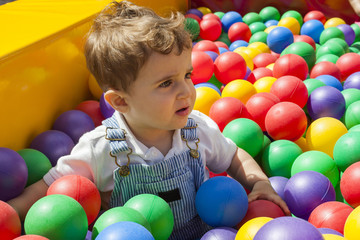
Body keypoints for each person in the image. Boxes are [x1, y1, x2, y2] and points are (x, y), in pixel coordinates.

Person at [8, 1, 290, 239]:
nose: (187, 92)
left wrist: (258, 182)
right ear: (120, 101)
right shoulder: (100, 147)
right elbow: (51, 185)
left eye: (187, 75)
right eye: (167, 83)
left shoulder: (195, 129)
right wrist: (13, 210)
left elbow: (232, 156)